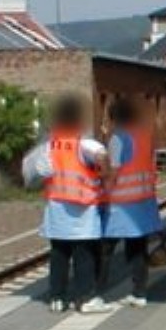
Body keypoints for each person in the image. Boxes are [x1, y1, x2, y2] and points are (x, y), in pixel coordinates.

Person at [39, 94, 112, 314]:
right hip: (82, 212)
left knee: (59, 255)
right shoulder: (84, 143)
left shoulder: (50, 145)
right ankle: (85, 298)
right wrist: (104, 174)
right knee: (84, 256)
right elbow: (102, 156)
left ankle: (57, 298)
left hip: (56, 210)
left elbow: (40, 170)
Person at [98, 98, 162, 307]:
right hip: (144, 202)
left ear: (114, 118)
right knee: (137, 249)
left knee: (104, 250)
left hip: (121, 205)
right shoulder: (144, 136)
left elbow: (113, 171)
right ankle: (139, 293)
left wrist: (102, 182)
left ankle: (96, 293)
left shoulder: (118, 138)